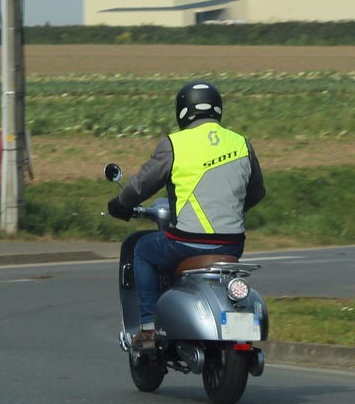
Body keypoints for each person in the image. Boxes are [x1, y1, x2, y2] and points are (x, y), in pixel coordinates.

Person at [107, 81, 265, 349]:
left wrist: (119, 204)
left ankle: (147, 327)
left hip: (186, 243)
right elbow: (257, 192)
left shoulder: (174, 144)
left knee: (143, 250)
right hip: (233, 245)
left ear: (182, 111)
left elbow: (141, 185)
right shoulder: (241, 143)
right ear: (217, 109)